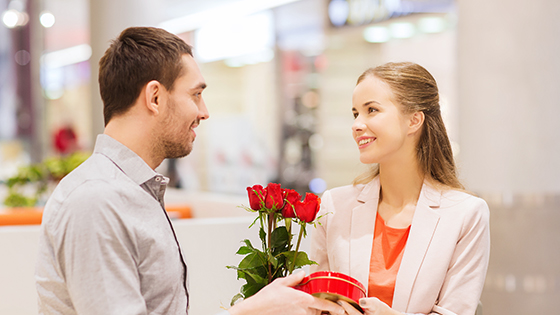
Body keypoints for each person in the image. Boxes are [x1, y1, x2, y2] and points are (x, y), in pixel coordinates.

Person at [35, 26, 344, 315]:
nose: (204, 112)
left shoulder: (131, 190)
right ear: (155, 97)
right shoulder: (97, 200)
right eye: (196, 94)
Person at [310, 62, 490, 315]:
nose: (357, 124)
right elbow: (313, 303)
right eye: (355, 113)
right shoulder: (334, 205)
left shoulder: (466, 214)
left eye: (371, 110)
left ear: (414, 120)